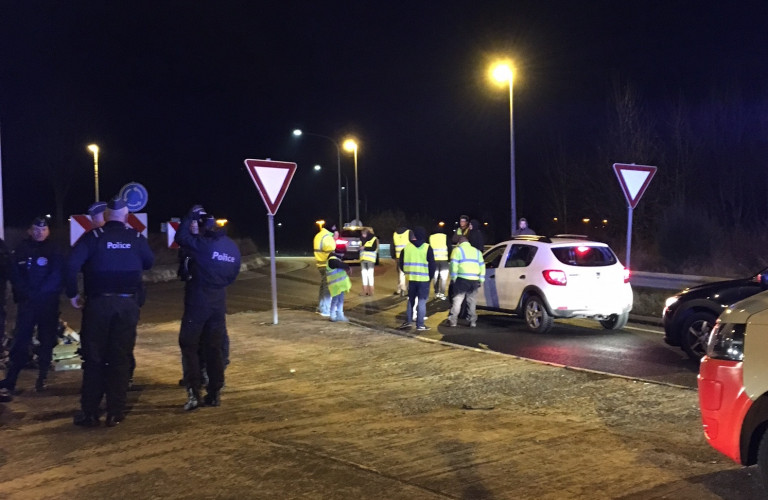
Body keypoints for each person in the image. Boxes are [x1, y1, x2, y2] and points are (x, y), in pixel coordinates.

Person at [66, 197, 154, 427]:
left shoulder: (93, 237)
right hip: (127, 306)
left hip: (98, 305)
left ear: (106, 216)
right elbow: (149, 262)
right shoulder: (136, 237)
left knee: (94, 358)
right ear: (126, 216)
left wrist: (73, 295)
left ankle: (90, 412)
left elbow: (71, 266)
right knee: (120, 358)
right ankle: (116, 412)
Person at [175, 205, 241, 412]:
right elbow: (233, 274)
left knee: (189, 345)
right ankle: (214, 393)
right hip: (218, 302)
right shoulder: (231, 247)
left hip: (198, 300)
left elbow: (181, 238)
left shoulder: (202, 245)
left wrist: (189, 216)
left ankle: (194, 392)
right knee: (214, 348)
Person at [0, 217, 64, 402]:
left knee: (46, 340)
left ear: (48, 231)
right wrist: (26, 293)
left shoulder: (54, 249)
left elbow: (57, 274)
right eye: (36, 229)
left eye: (43, 230)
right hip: (27, 304)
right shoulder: (21, 249)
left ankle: (42, 377)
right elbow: (14, 274)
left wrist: (40, 293)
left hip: (47, 304)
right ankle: (11, 380)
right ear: (30, 231)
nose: (39, 233)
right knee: (21, 342)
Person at [398, 226, 435, 331]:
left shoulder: (406, 248)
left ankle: (408, 322)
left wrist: (407, 272)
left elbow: (401, 263)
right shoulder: (427, 247)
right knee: (422, 302)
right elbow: (432, 265)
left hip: (412, 279)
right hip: (424, 280)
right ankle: (420, 325)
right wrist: (430, 277)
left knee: (411, 300)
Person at [446, 235, 486, 328]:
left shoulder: (457, 250)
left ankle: (453, 321)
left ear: (459, 242)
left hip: (461, 279)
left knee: (457, 300)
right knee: (471, 301)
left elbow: (453, 266)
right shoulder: (477, 252)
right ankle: (472, 322)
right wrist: (481, 279)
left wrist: (453, 278)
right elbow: (482, 266)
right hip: (474, 280)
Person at [313, 220, 338, 317]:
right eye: (335, 229)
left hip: (320, 264)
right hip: (327, 265)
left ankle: (321, 307)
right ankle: (325, 309)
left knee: (323, 286)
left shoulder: (319, 235)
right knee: (327, 288)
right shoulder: (327, 237)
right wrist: (334, 239)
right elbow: (332, 251)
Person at [327, 249, 352, 321]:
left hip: (340, 285)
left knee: (340, 300)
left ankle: (340, 315)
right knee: (335, 300)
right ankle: (332, 316)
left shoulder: (336, 259)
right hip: (335, 286)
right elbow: (338, 264)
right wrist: (347, 266)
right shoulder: (332, 260)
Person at [429, 225, 449, 300]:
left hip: (434, 261)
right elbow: (449, 247)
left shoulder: (431, 237)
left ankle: (436, 292)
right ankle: (442, 293)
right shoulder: (445, 237)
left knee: (435, 277)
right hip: (444, 260)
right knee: (443, 278)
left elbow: (429, 249)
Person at [391, 226, 410, 297]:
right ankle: (409, 290)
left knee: (401, 274)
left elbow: (392, 245)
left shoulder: (395, 234)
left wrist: (393, 256)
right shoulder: (409, 232)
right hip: (408, 256)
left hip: (399, 257)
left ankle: (402, 290)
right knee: (408, 274)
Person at [359, 227, 378, 296]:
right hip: (363, 259)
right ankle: (365, 291)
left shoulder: (374, 239)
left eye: (364, 234)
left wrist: (364, 248)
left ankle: (371, 291)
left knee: (369, 275)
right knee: (364, 275)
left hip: (370, 260)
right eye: (362, 234)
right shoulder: (361, 239)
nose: (362, 235)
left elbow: (373, 248)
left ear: (367, 233)